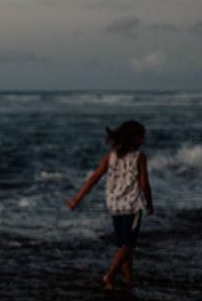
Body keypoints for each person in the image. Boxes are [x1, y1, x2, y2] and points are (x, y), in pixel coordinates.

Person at [66, 120, 154, 290]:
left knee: (124, 246)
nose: (143, 139)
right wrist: (149, 203)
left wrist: (77, 199)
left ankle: (129, 281)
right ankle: (110, 275)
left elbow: (94, 178)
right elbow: (144, 184)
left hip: (114, 205)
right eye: (141, 136)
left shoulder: (110, 156)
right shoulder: (139, 157)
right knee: (129, 244)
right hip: (132, 205)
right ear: (134, 138)